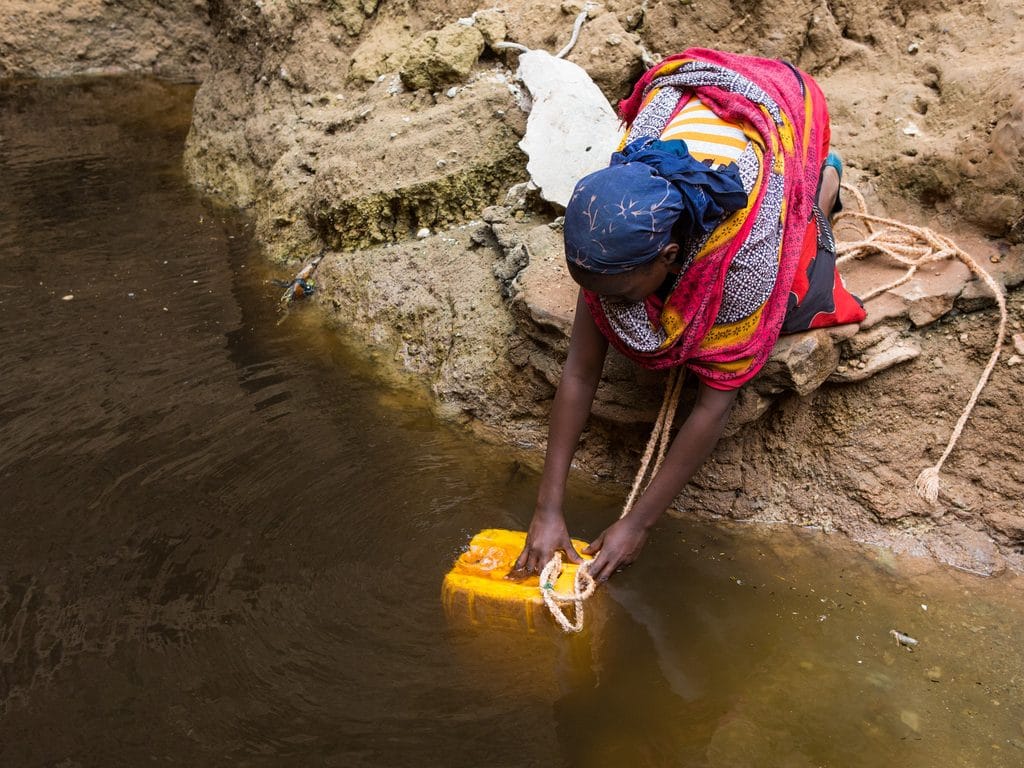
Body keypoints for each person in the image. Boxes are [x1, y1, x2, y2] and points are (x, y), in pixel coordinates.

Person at [511, 48, 866, 583]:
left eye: (624, 294)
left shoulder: (744, 261)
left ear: (670, 256)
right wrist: (547, 509)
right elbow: (580, 371)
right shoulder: (619, 208)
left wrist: (639, 524)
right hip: (699, 98)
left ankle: (827, 176)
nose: (610, 305)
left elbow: (712, 405)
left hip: (778, 107)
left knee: (801, 279)